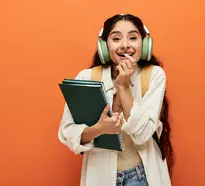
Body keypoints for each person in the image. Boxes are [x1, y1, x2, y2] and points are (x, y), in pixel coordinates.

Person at [58, 14, 174, 186]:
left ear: (145, 44)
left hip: (142, 177)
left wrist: (123, 86)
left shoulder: (154, 75)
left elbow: (142, 135)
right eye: (116, 38)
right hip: (100, 178)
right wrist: (99, 129)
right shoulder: (87, 77)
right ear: (104, 46)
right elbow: (67, 132)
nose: (125, 45)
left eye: (133, 38)